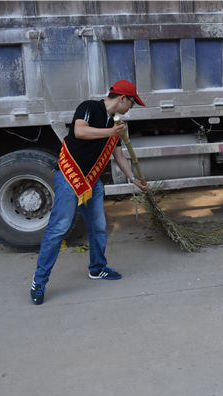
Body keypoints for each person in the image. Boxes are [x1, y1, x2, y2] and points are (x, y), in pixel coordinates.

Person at [30, 80, 150, 304]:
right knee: (58, 228)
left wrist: (134, 179)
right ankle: (39, 281)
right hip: (70, 177)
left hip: (92, 182)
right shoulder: (89, 107)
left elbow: (119, 156)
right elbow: (79, 131)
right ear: (122, 98)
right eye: (132, 103)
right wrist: (111, 132)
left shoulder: (115, 123)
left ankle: (97, 268)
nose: (131, 107)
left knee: (98, 227)